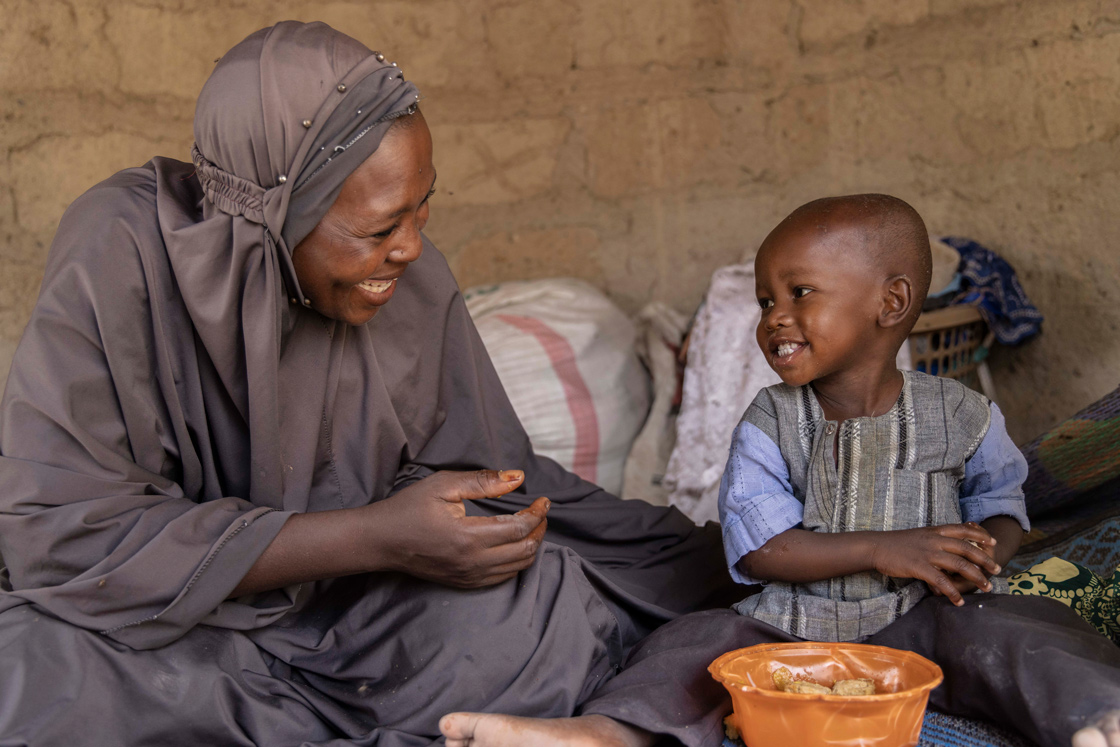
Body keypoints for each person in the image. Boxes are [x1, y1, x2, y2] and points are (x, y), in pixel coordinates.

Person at [0, 22, 740, 745]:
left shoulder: (410, 284)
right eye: (379, 228)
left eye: (423, 209)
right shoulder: (123, 248)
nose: (412, 247)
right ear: (275, 215)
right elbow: (66, 532)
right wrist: (374, 534)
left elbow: (485, 468)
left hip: (360, 622)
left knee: (537, 610)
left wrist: (449, 529)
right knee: (28, 665)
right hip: (170, 626)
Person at [440, 196, 1120, 747]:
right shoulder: (768, 419)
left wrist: (979, 556)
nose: (775, 319)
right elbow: (762, 548)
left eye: (799, 293)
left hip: (927, 617)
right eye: (767, 301)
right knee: (692, 640)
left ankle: (1100, 716)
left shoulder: (964, 413)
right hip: (792, 625)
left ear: (891, 302)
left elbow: (1002, 500)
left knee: (1023, 627)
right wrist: (887, 547)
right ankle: (603, 735)